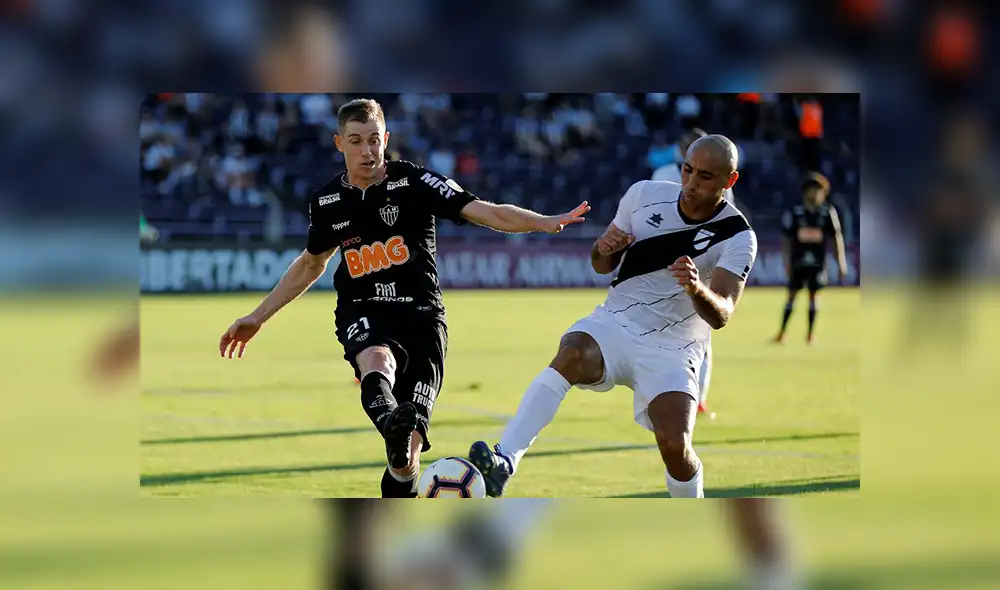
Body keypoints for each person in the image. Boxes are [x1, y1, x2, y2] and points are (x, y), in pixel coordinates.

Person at [218, 98, 589, 498]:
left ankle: (399, 446)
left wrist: (543, 222)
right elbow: (312, 264)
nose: (368, 150)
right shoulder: (326, 202)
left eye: (374, 140)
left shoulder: (413, 182)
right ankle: (394, 420)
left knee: (405, 462)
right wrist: (258, 316)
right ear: (339, 143)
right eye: (357, 141)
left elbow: (486, 211)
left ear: (386, 139)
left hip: (423, 317)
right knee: (376, 360)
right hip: (364, 311)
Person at [470, 135, 757, 498]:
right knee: (571, 353)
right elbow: (601, 264)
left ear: (728, 182)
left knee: (674, 446)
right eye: (687, 170)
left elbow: (723, 314)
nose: (691, 183)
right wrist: (603, 249)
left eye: (705, 176)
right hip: (616, 322)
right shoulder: (643, 195)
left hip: (673, 346)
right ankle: (504, 461)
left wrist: (697, 288)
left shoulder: (738, 235)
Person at [654, 129, 733, 419]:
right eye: (689, 147)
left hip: (701, 264)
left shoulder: (719, 177)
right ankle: (660, 394)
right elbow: (651, 212)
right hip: (663, 263)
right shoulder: (663, 172)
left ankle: (698, 398)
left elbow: (727, 219)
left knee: (700, 334)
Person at [774, 172, 848, 345]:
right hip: (797, 262)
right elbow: (786, 238)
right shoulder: (795, 212)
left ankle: (810, 335)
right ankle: (782, 333)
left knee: (814, 297)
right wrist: (786, 260)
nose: (815, 194)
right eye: (812, 190)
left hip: (817, 263)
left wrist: (841, 262)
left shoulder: (828, 212)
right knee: (791, 296)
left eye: (819, 190)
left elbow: (836, 237)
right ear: (805, 191)